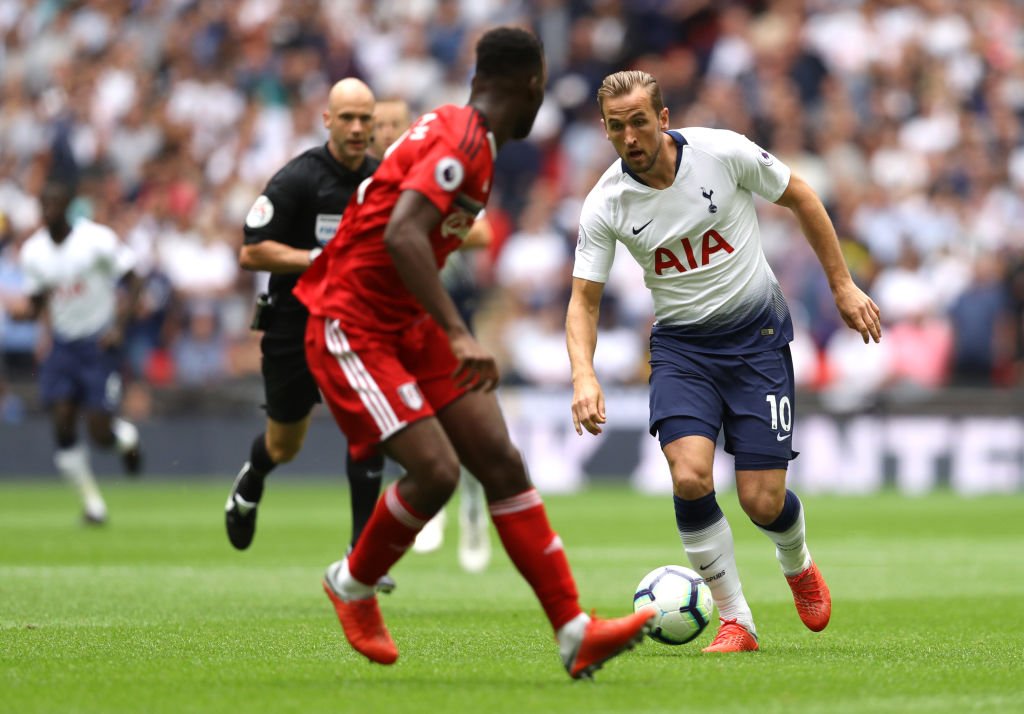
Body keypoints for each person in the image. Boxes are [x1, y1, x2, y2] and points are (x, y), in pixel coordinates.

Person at [294, 26, 654, 679]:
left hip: (405, 320)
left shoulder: (471, 138)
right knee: (435, 473)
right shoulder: (462, 143)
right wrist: (459, 332)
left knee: (499, 459)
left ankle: (574, 632)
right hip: (353, 321)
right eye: (542, 84)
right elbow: (404, 235)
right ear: (530, 84)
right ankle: (351, 584)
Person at [565, 70, 882, 653]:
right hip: (682, 349)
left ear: (663, 119)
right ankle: (736, 619)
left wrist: (842, 286)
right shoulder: (605, 202)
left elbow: (801, 195)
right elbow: (584, 300)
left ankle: (797, 562)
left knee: (762, 501)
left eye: (639, 122)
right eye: (616, 127)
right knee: (689, 476)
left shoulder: (722, 152)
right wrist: (584, 375)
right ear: (605, 131)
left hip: (758, 338)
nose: (630, 137)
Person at [223, 78, 395, 590]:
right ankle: (252, 479)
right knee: (285, 444)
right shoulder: (298, 178)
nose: (358, 128)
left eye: (365, 119)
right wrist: (317, 258)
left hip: (355, 324)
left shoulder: (383, 179)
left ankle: (362, 556)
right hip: (294, 324)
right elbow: (251, 250)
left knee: (369, 429)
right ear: (328, 121)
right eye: (348, 118)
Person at [370, 96, 493, 572]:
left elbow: (483, 233)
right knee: (409, 412)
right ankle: (431, 504)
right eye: (379, 124)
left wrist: (421, 232)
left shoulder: (438, 172)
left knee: (471, 423)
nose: (386, 132)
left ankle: (473, 508)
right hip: (400, 319)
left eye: (394, 124)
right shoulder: (371, 181)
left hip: (451, 315)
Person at [7, 179, 143, 524]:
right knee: (63, 421)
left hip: (99, 343)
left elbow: (134, 278)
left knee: (99, 432)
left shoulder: (95, 240)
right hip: (64, 345)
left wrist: (119, 326)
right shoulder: (34, 252)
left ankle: (126, 439)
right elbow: (38, 303)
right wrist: (19, 312)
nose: (48, 211)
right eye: (44, 206)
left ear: (67, 207)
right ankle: (92, 504)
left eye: (54, 205)